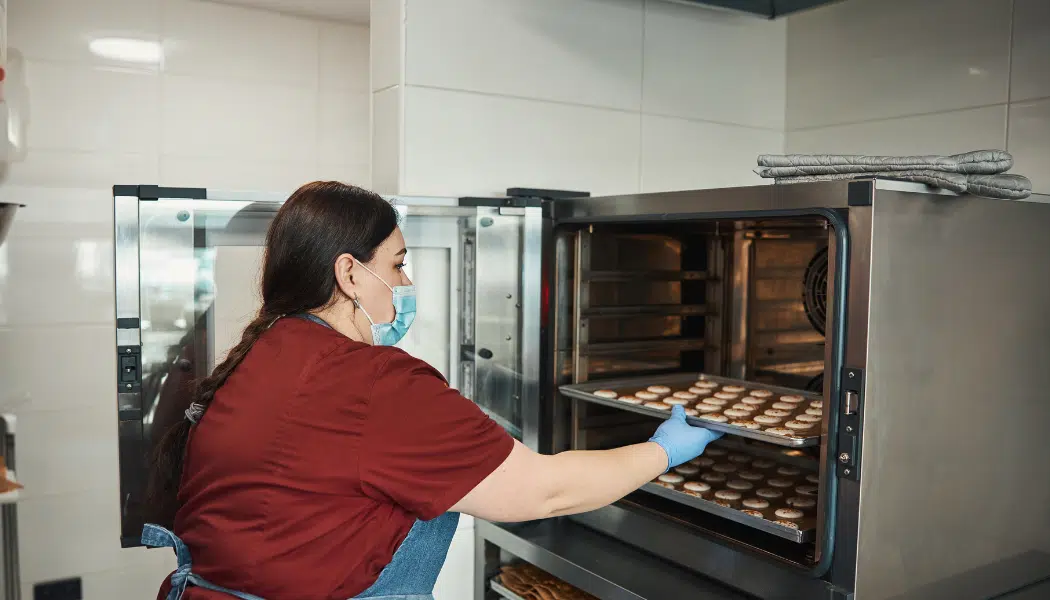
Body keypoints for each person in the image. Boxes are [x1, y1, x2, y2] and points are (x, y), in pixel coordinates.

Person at [144, 181, 723, 600]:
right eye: (397, 266)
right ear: (350, 274)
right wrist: (663, 450)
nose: (406, 283)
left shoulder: (259, 356)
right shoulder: (376, 384)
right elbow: (542, 494)